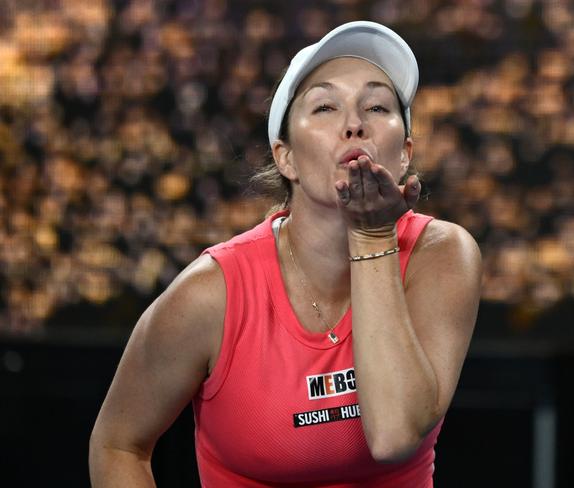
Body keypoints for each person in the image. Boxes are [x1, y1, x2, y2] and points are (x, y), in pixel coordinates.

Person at [89, 21, 482, 487]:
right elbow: (117, 443)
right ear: (286, 158)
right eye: (325, 107)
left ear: (404, 154)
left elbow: (394, 435)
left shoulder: (441, 256)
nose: (354, 123)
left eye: (377, 106)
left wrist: (372, 236)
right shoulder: (212, 293)